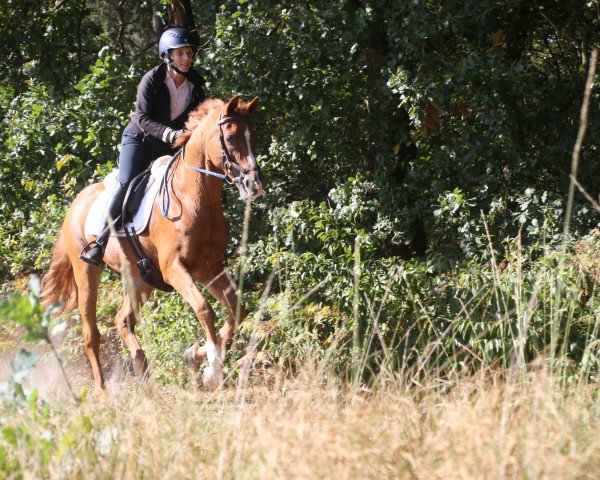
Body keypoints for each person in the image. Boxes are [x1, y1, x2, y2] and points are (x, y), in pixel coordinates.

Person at [81, 26, 206, 267]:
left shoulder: (196, 84)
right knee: (128, 182)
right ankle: (100, 242)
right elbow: (141, 118)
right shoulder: (152, 79)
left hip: (170, 144)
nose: (187, 58)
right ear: (167, 56)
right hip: (140, 140)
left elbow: (197, 117)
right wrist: (168, 133)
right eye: (181, 53)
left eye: (189, 53)